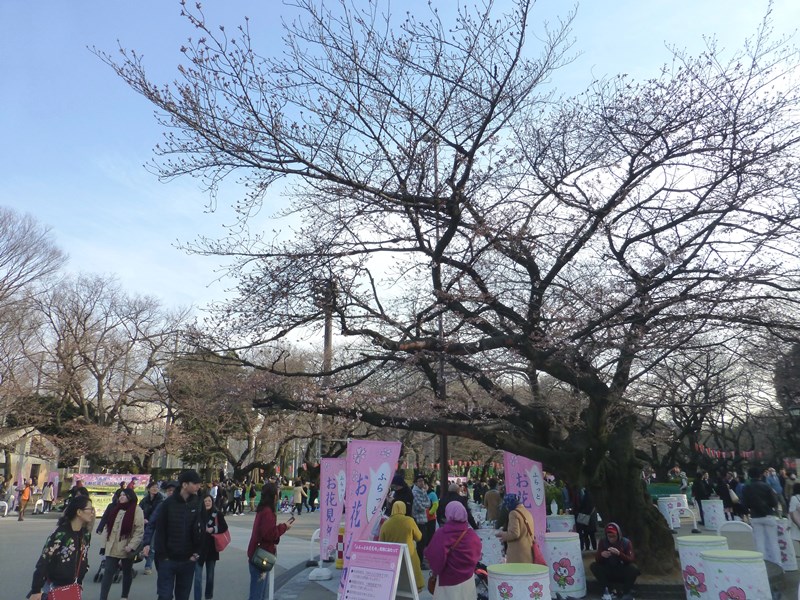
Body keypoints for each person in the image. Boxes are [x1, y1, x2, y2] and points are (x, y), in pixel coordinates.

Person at [27, 494, 94, 600]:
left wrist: (84, 570)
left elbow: (84, 557)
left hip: (75, 586)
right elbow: (44, 561)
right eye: (90, 509)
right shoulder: (60, 534)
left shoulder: (86, 535)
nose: (92, 512)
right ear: (79, 512)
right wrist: (36, 590)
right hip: (55, 586)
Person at [153, 469, 204, 600]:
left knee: (183, 596)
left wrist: (196, 553)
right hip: (168, 559)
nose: (198, 486)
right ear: (185, 485)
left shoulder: (198, 503)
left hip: (188, 559)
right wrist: (163, 556)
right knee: (165, 596)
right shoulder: (168, 504)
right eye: (195, 483)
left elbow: (201, 530)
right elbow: (160, 530)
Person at [424, 501, 482, 600]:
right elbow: (477, 555)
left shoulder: (442, 534)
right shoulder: (471, 534)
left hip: (448, 580)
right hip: (468, 580)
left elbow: (435, 557)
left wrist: (435, 572)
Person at [247, 482, 293, 600]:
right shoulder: (268, 512)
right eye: (277, 493)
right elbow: (269, 534)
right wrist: (284, 527)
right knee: (257, 594)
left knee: (258, 592)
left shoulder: (263, 509)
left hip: (258, 553)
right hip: (261, 556)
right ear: (274, 495)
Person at [98, 487, 145, 600]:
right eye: (120, 495)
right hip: (112, 546)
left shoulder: (137, 510)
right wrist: (103, 545)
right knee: (108, 572)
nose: (121, 497)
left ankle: (124, 595)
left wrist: (131, 546)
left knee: (127, 572)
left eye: (124, 495)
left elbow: (139, 530)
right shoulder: (116, 509)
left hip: (126, 547)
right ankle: (103, 597)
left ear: (130, 497)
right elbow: (107, 528)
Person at [379, 501, 424, 592]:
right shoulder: (409, 521)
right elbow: (419, 537)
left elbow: (381, 543)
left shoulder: (386, 524)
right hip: (409, 556)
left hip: (392, 560)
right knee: (413, 585)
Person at [589, 523, 640, 598]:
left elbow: (631, 559)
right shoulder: (603, 542)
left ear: (618, 535)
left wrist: (619, 554)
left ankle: (625, 591)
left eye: (613, 536)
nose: (611, 539)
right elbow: (597, 559)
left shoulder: (626, 542)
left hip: (621, 569)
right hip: (608, 569)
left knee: (633, 568)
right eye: (609, 536)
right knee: (594, 566)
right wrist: (602, 555)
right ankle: (609, 590)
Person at [742, 466, 780, 564]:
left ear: (749, 476)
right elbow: (774, 502)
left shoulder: (746, 488)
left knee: (759, 542)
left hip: (755, 516)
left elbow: (745, 504)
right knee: (773, 542)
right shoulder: (766, 486)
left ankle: (762, 564)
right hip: (768, 515)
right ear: (760, 475)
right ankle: (778, 564)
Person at [195, 493, 228, 600]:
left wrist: (213, 529)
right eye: (205, 501)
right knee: (197, 578)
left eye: (209, 501)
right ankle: (197, 597)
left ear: (212, 502)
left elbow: (224, 527)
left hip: (212, 549)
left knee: (210, 576)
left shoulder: (217, 513)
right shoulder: (197, 514)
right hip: (199, 549)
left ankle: (208, 596)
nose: (207, 503)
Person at [141, 480, 178, 575]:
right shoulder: (145, 500)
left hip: (163, 533)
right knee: (148, 546)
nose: (155, 489)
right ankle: (149, 562)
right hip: (148, 525)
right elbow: (140, 510)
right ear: (148, 489)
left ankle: (148, 565)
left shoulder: (160, 500)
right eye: (169, 490)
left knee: (152, 547)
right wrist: (143, 518)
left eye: (156, 487)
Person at [496, 494, 535, 562]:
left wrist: (502, 534)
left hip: (517, 553)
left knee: (515, 569)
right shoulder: (527, 512)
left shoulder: (513, 513)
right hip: (528, 551)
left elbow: (514, 533)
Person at [411, 475, 432, 559]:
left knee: (423, 540)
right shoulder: (414, 493)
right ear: (416, 483)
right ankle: (418, 559)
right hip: (417, 519)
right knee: (420, 541)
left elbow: (429, 503)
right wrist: (425, 505)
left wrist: (424, 504)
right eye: (419, 481)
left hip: (424, 519)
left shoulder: (423, 491)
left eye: (422, 480)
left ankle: (421, 559)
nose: (422, 482)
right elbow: (418, 507)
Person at [788, 481, 800, 554]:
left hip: (797, 521)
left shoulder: (794, 498)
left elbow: (791, 512)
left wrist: (789, 524)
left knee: (797, 538)